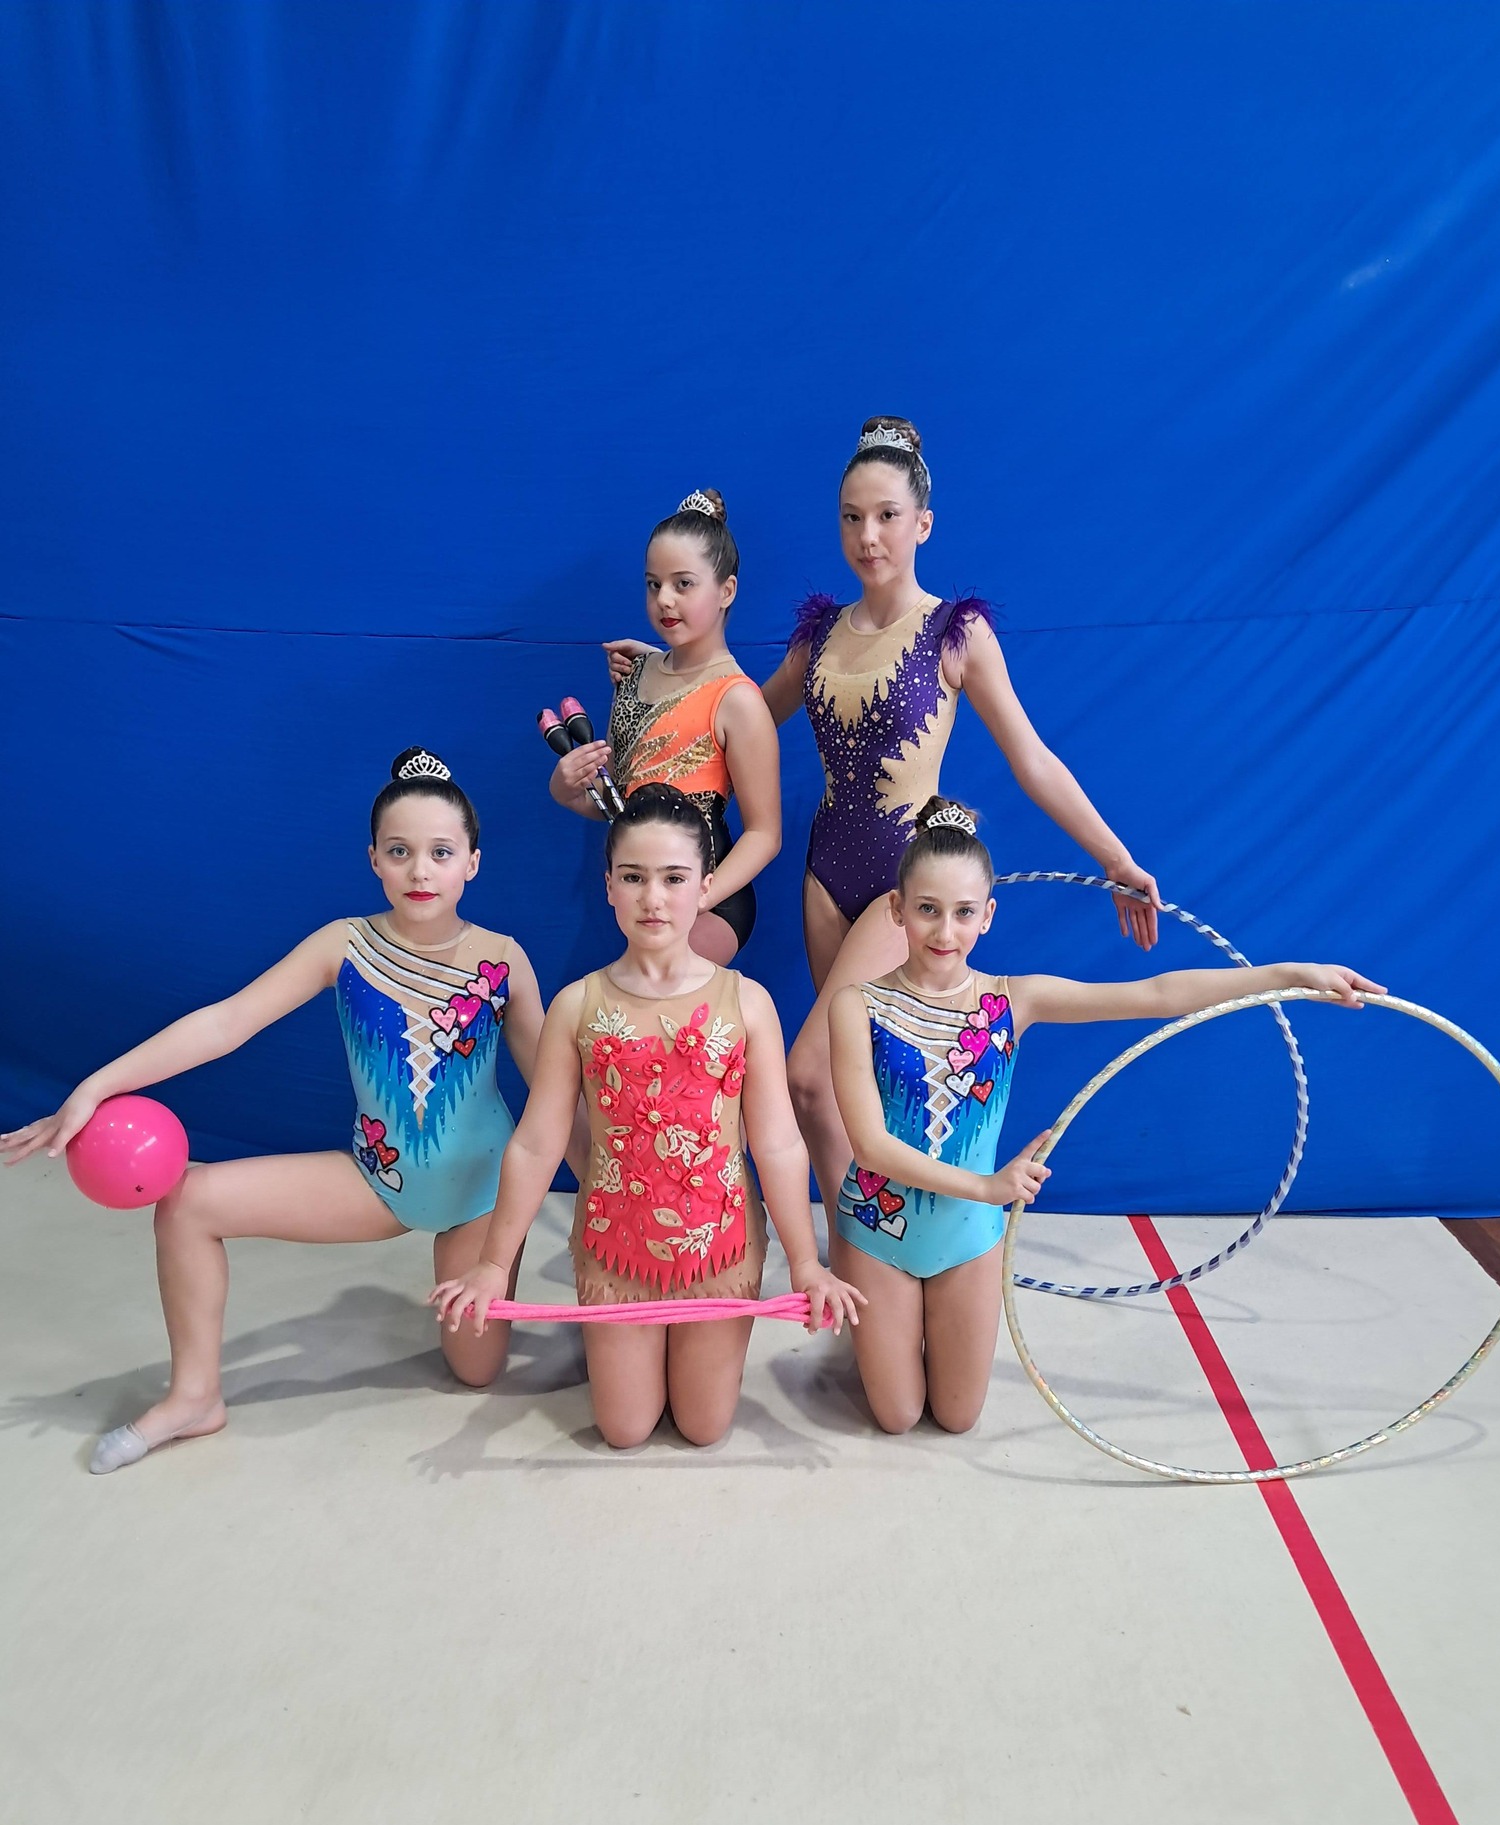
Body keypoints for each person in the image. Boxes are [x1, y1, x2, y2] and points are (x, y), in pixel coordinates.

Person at [606, 417, 1163, 1206]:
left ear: (922, 523)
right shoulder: (819, 634)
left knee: (809, 1079)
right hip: (825, 877)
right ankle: (866, 1246)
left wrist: (1114, 857)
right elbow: (731, 717)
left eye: (887, 516)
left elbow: (1032, 758)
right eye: (852, 517)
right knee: (850, 1084)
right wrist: (662, 675)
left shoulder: (955, 632)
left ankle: (864, 1244)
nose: (868, 536)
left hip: (905, 879)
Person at [1, 749, 557, 1473]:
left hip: (481, 1196)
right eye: (399, 851)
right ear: (374, 860)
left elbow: (554, 1095)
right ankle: (194, 1396)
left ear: (472, 863)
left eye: (440, 852)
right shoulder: (344, 945)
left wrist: (612, 1195)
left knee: (475, 1371)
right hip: (378, 1180)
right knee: (189, 1202)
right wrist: (93, 1088)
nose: (420, 871)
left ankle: (478, 1285)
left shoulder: (502, 960)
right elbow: (226, 1022)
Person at [828, 795, 1382, 1436]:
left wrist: (1286, 975)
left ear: (988, 916)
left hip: (968, 1237)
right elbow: (870, 1146)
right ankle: (888, 1330)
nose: (944, 933)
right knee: (897, 1417)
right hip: (878, 1229)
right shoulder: (856, 1005)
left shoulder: (1013, 1000)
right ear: (897, 909)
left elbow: (1157, 994)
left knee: (957, 1416)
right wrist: (989, 1186)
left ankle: (909, 1329)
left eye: (963, 912)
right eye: (927, 909)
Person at [431, 782, 864, 1449]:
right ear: (609, 886)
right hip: (615, 1251)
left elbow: (778, 1144)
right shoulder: (576, 1006)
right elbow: (537, 1144)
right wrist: (493, 1263)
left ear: (706, 886)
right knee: (625, 1429)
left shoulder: (748, 1004)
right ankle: (627, 1349)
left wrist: (806, 1262)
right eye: (633, 877)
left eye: (673, 878)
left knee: (703, 1427)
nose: (653, 898)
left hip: (721, 1249)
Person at [549, 489, 781, 963]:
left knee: (659, 992)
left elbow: (765, 835)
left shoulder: (738, 701)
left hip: (711, 897)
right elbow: (619, 803)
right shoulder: (634, 676)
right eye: (653, 584)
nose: (665, 600)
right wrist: (567, 789)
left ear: (727, 591)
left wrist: (697, 898)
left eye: (684, 584)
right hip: (646, 889)